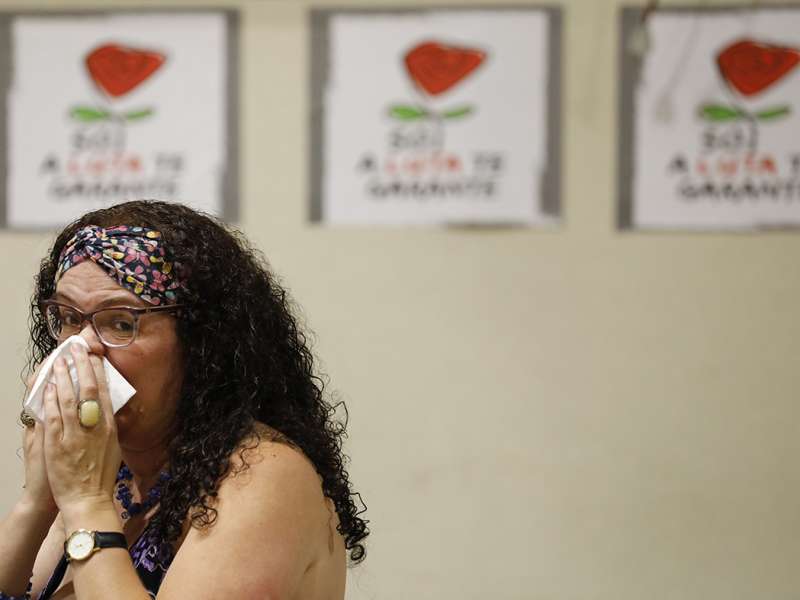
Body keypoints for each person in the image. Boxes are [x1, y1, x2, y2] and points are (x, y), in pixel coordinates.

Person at [0, 200, 368, 599]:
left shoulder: (263, 475)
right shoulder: (116, 472)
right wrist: (39, 502)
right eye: (69, 318)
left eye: (121, 323)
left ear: (201, 345)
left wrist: (86, 503)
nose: (81, 347)